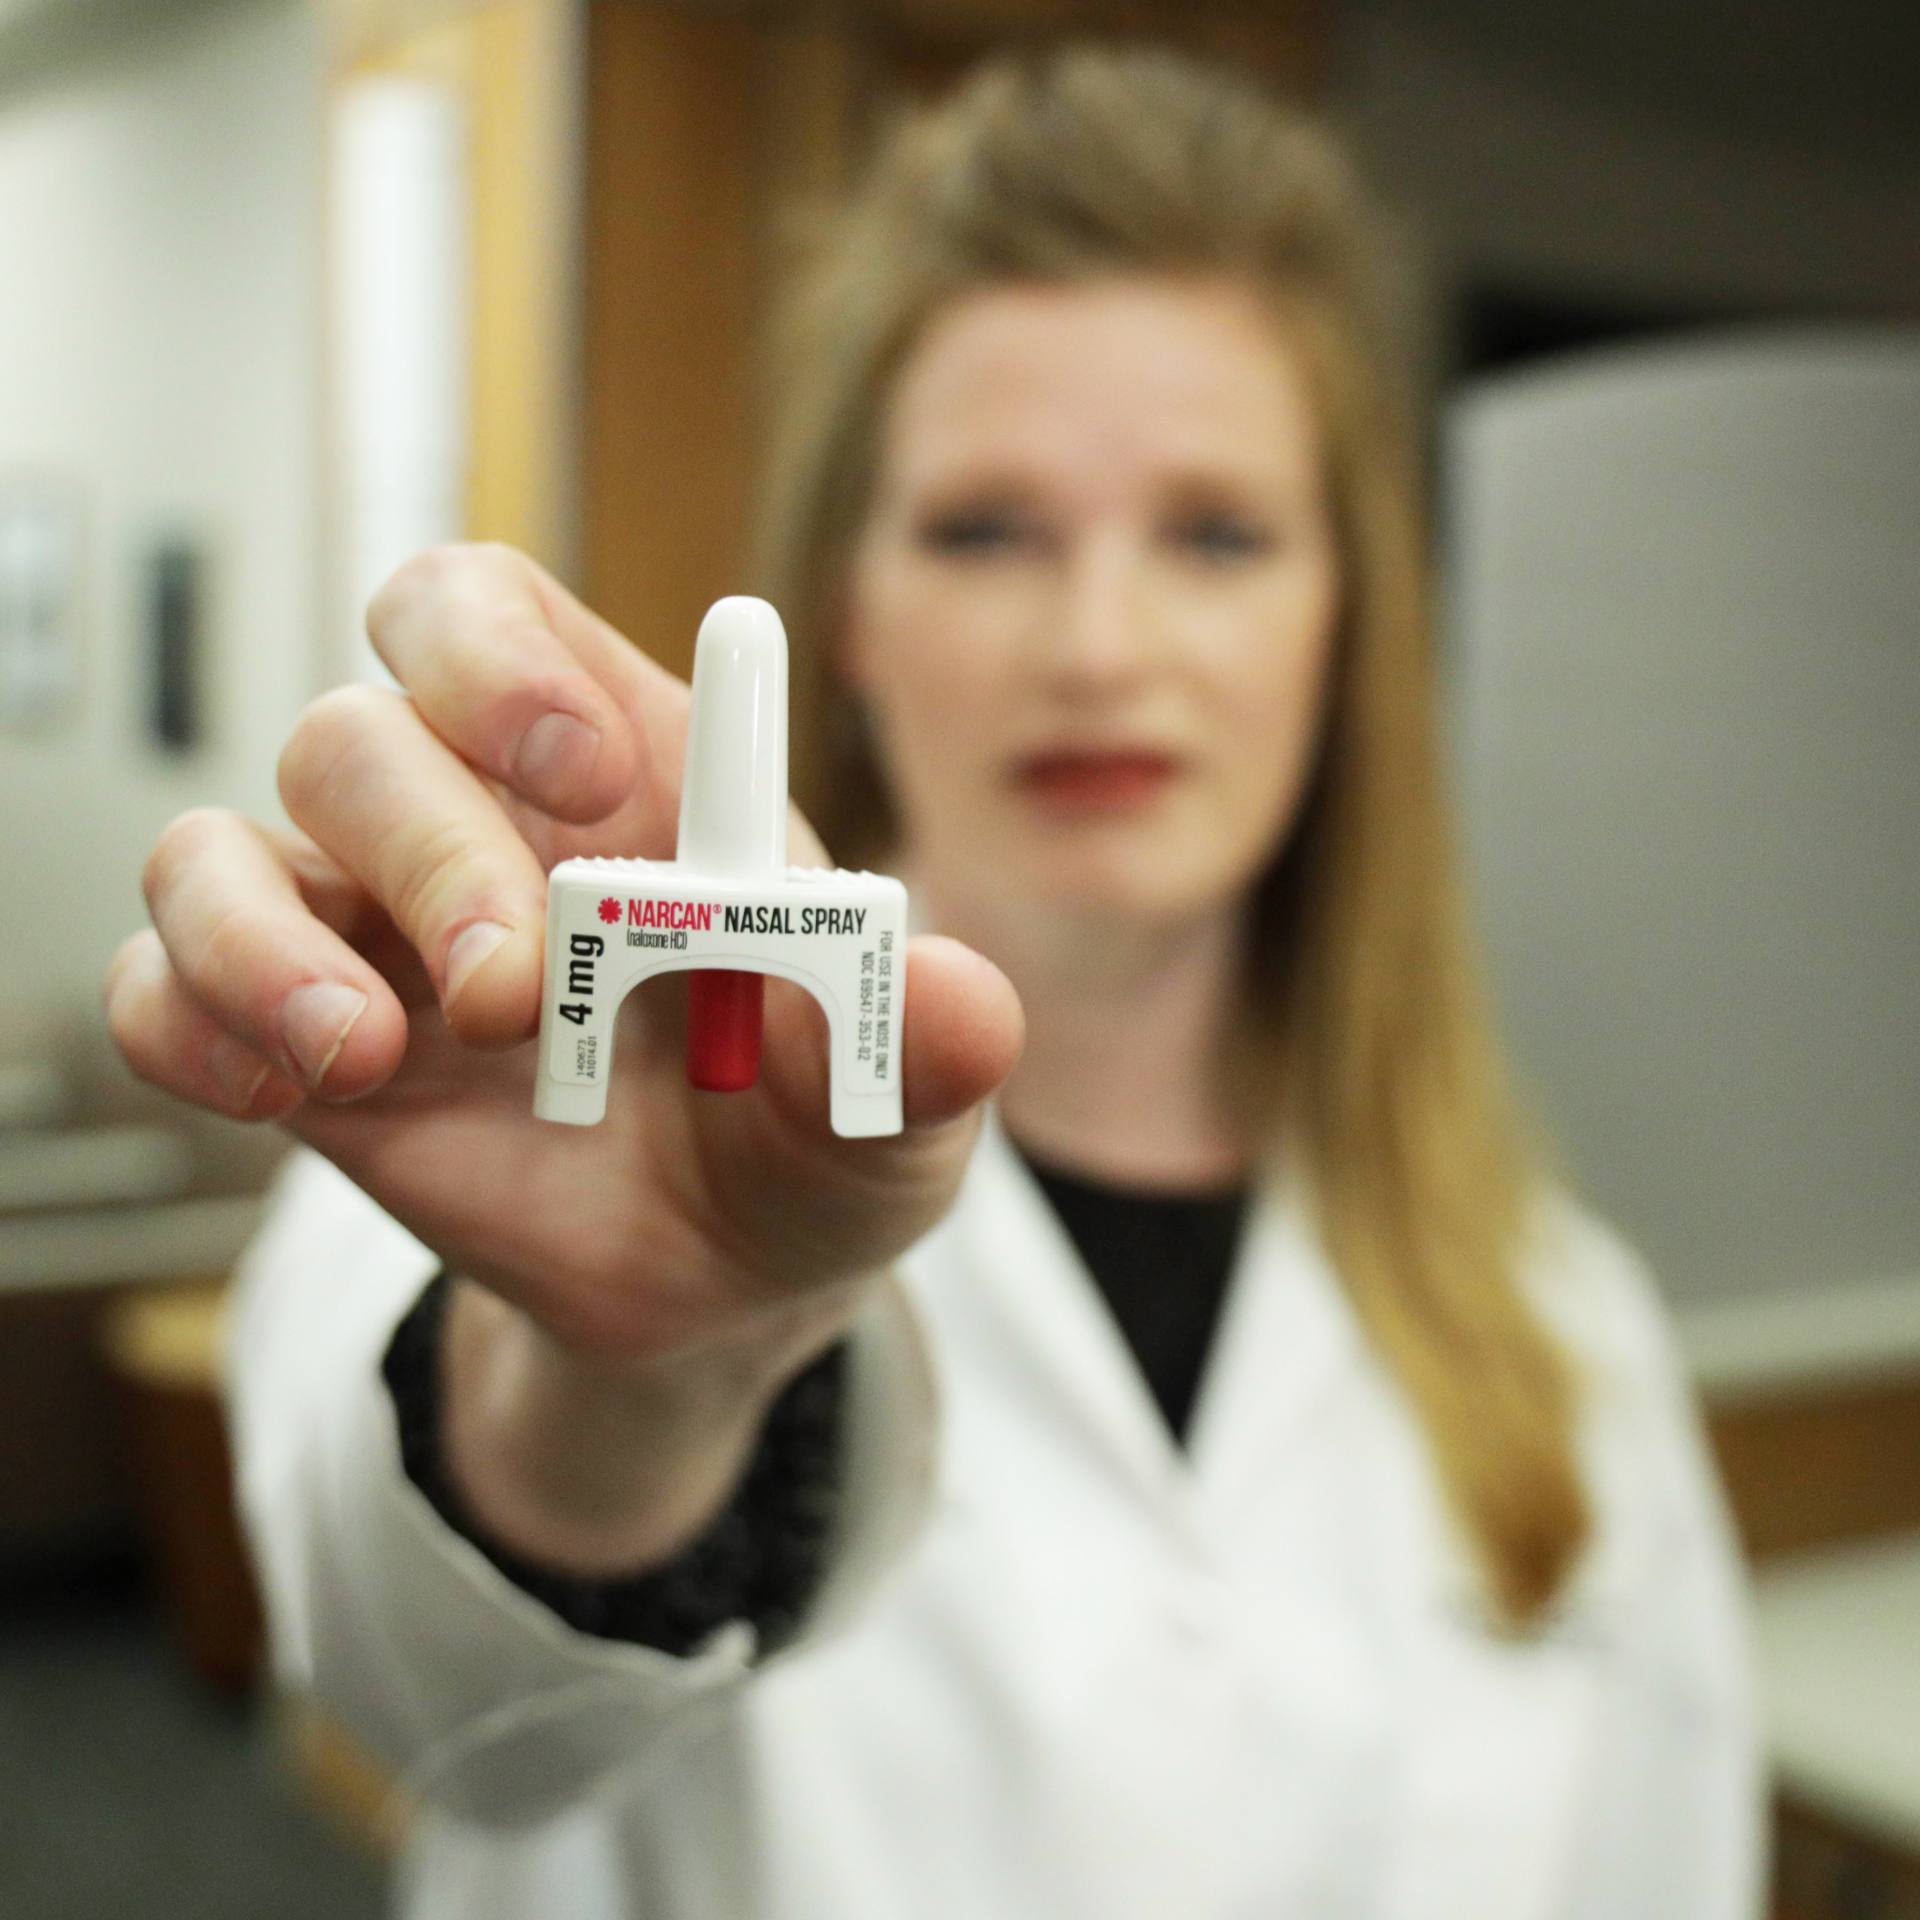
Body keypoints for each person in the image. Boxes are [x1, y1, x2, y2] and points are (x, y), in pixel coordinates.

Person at [105, 43, 1765, 1920]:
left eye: (1217, 534)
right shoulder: (543, 1101)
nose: (1101, 643)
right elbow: (434, 1712)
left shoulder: (1571, 1334)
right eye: (987, 529)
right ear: (857, 610)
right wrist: (645, 1373)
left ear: (1345, 617)